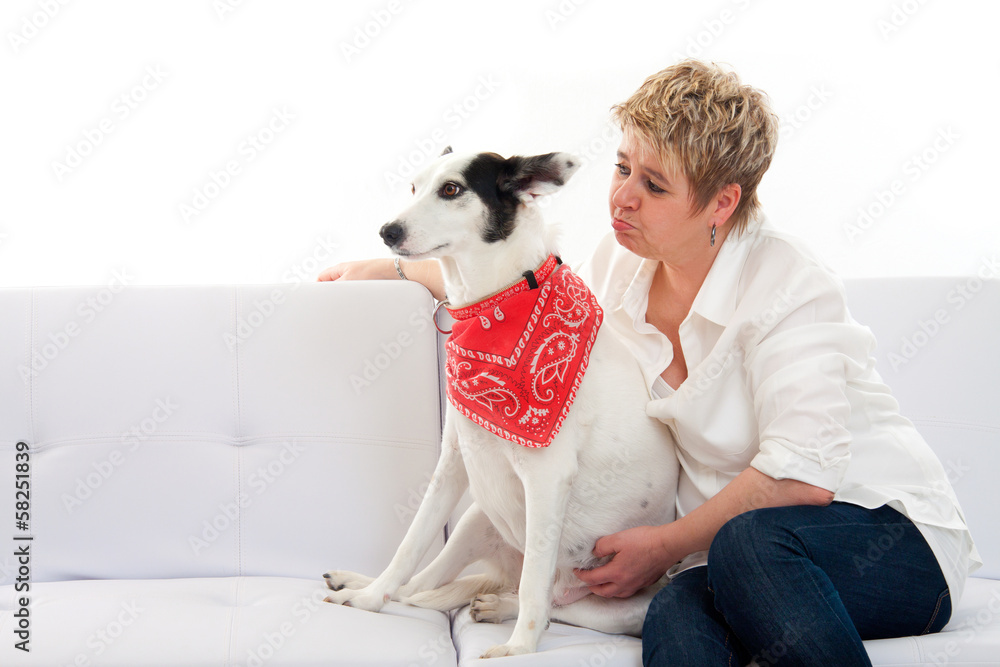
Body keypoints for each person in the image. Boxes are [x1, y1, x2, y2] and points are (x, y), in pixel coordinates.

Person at [319, 60, 979, 666]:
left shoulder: (789, 282)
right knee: (673, 619)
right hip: (721, 557)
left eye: (654, 185)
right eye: (622, 167)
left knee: (747, 545)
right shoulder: (620, 264)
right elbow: (518, 290)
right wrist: (397, 266)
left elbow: (801, 477)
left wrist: (664, 545)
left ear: (722, 202)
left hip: (887, 540)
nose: (622, 197)